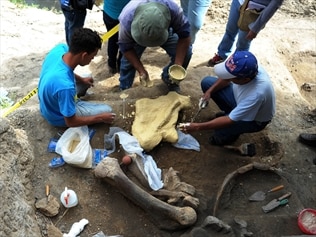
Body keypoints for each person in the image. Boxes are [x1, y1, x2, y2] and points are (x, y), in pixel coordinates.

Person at [179, 51, 275, 145]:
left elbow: (230, 120)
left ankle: (225, 137)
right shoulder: (248, 68)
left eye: (232, 77)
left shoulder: (257, 94)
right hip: (238, 99)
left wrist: (197, 127)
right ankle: (229, 111)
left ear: (245, 79)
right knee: (207, 83)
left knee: (221, 130)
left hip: (254, 120)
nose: (228, 77)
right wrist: (209, 92)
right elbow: (226, 78)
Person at [38, 28, 116, 127]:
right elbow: (71, 122)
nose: (91, 59)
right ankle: (73, 105)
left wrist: (81, 80)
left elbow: (63, 72)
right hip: (57, 116)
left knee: (87, 77)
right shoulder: (65, 86)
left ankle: (74, 99)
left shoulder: (60, 49)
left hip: (48, 102)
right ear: (84, 55)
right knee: (107, 111)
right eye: (92, 57)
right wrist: (100, 118)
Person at [118, 0, 192, 93]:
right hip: (139, 33)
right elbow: (126, 49)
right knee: (127, 63)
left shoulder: (174, 10)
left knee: (186, 53)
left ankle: (170, 80)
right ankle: (125, 88)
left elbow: (185, 36)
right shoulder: (127, 20)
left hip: (162, 30)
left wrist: (177, 65)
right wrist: (141, 70)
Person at [207, 0, 283, 66]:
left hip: (255, 10)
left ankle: (236, 64)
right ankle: (222, 54)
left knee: (243, 42)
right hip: (239, 2)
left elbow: (275, 4)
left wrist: (256, 27)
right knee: (230, 31)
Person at [102, 0, 130, 74]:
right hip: (125, 15)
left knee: (112, 39)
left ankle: (112, 64)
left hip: (109, 13)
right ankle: (121, 64)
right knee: (125, 40)